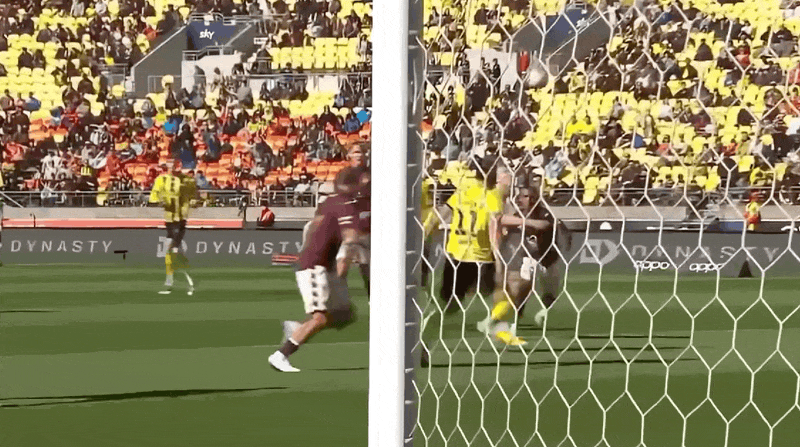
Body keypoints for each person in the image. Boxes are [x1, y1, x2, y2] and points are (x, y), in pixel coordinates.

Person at [268, 172, 367, 373]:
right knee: (320, 318)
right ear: (353, 186)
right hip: (315, 266)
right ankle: (280, 355)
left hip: (323, 265)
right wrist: (343, 266)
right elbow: (350, 238)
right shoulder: (345, 205)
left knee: (344, 315)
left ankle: (297, 328)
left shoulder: (331, 201)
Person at [149, 158, 198, 295]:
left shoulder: (187, 180)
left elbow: (195, 196)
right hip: (169, 220)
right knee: (172, 253)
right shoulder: (161, 180)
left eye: (176, 164)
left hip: (180, 220)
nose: (174, 167)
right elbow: (153, 196)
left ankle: (178, 283)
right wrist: (160, 201)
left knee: (173, 252)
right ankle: (184, 282)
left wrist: (193, 201)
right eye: (171, 165)